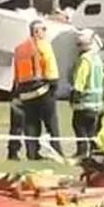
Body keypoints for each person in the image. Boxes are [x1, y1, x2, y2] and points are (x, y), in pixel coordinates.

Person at [13, 20, 61, 160]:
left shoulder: (20, 49)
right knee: (51, 123)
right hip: (42, 90)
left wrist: (18, 90)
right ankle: (57, 151)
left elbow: (16, 73)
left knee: (31, 124)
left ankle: (32, 153)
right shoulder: (43, 45)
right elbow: (50, 67)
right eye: (43, 29)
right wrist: (54, 84)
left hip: (25, 92)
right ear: (36, 32)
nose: (45, 32)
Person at [70, 30, 104, 157]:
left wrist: (75, 95)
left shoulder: (85, 59)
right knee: (92, 130)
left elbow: (81, 79)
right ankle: (92, 152)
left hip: (84, 102)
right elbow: (102, 78)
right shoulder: (97, 59)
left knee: (78, 126)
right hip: (97, 103)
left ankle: (82, 151)